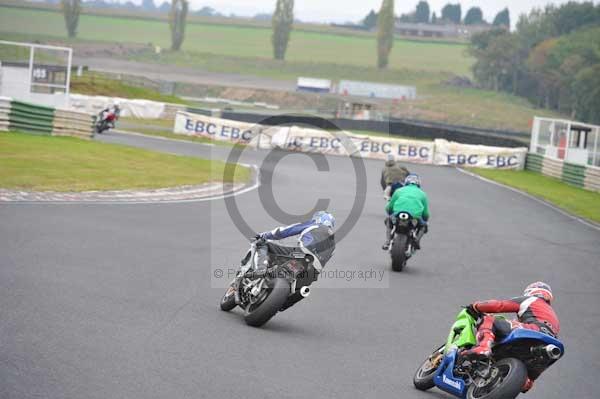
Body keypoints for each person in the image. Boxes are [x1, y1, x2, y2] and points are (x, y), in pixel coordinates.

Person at [461, 282, 560, 393]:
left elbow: (499, 305)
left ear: (531, 291)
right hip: (548, 347)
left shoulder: (531, 300)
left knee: (490, 320)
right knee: (528, 378)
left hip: (533, 330)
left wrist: (475, 306)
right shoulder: (553, 316)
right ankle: (526, 381)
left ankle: (483, 347)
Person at [253, 211, 336, 278]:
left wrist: (263, 235)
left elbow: (285, 231)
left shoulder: (315, 225)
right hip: (315, 271)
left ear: (318, 219)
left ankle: (261, 269)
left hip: (303, 253)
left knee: (263, 244)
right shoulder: (333, 243)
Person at [383, 174, 430, 250]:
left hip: (398, 214)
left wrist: (390, 214)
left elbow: (389, 207)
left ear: (406, 182)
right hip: (414, 216)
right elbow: (426, 213)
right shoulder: (422, 194)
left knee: (388, 220)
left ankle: (387, 241)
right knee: (424, 226)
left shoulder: (398, 191)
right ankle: (416, 241)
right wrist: (425, 220)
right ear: (418, 184)